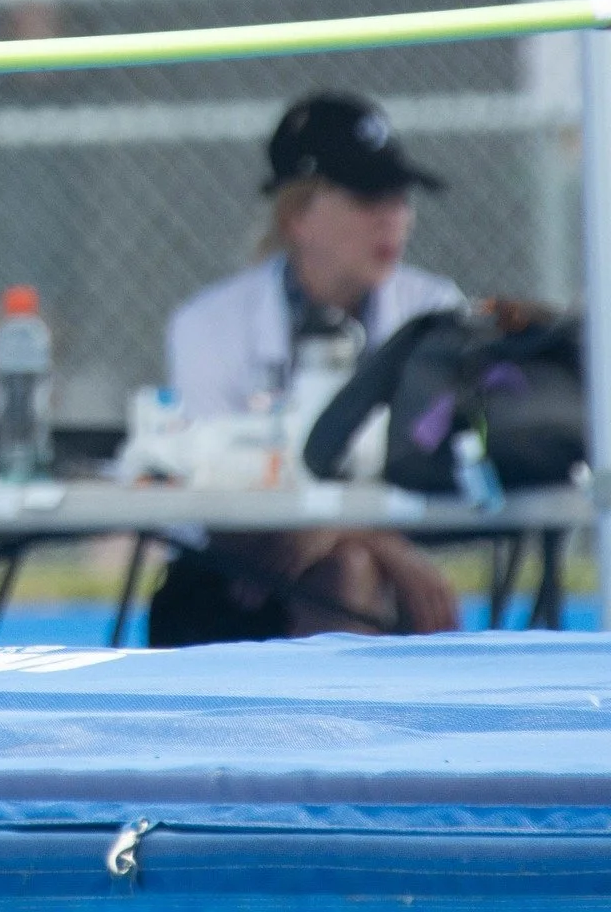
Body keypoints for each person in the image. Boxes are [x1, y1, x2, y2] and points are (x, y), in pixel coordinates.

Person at [150, 92, 463, 643]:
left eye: (401, 198)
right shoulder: (207, 324)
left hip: (374, 581)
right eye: (369, 198)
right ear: (298, 215)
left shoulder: (437, 313)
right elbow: (210, 489)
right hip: (232, 582)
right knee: (351, 567)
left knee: (349, 566)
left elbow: (449, 461)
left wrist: (339, 533)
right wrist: (373, 538)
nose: (394, 219)